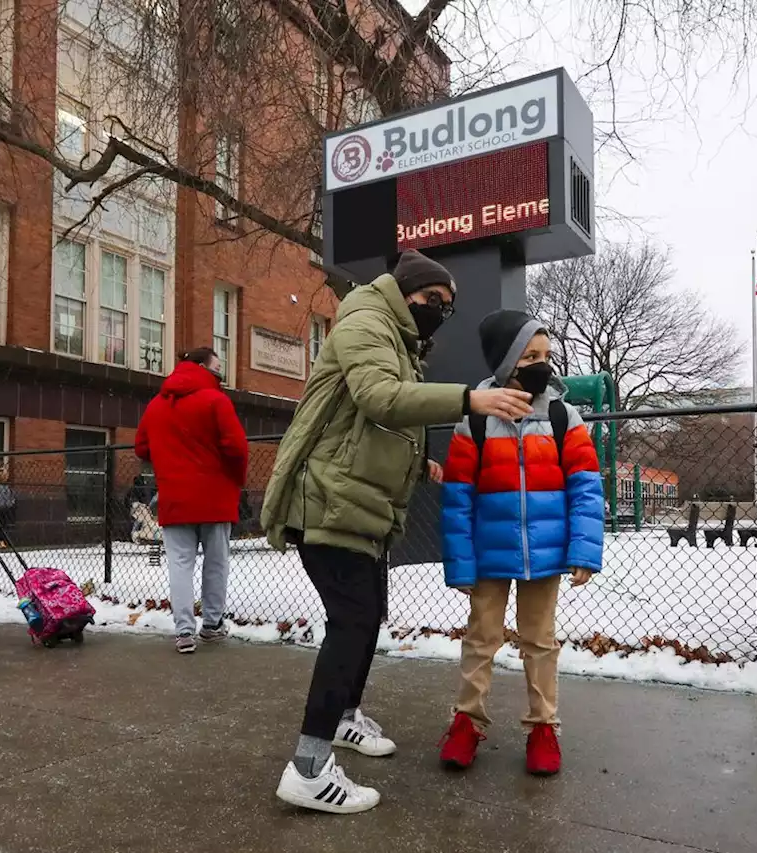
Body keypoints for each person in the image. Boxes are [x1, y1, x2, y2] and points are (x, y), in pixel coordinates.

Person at [261, 250, 535, 814]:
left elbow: (375, 424)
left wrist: (418, 464)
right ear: (406, 291)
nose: (440, 312)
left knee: (364, 619)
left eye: (448, 307)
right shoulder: (366, 319)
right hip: (329, 503)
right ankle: (308, 768)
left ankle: (342, 718)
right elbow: (378, 397)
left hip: (357, 504)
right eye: (434, 301)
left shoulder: (398, 339)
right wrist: (469, 397)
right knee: (353, 620)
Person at [438, 310, 605, 776]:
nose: (541, 365)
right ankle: (466, 723)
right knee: (481, 638)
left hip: (547, 554)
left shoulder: (560, 415)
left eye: (546, 356)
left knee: (540, 641)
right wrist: (461, 563)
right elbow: (457, 498)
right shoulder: (474, 420)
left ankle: (543, 728)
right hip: (489, 553)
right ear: (507, 360)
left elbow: (586, 487)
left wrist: (583, 551)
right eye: (530, 356)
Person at [135, 347, 248, 654]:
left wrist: (167, 460)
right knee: (216, 563)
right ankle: (212, 625)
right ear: (202, 367)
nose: (220, 376)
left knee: (179, 565)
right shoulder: (216, 401)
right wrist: (235, 479)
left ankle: (184, 631)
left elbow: (141, 447)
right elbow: (237, 447)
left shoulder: (157, 405)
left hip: (174, 496)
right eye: (217, 370)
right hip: (215, 495)